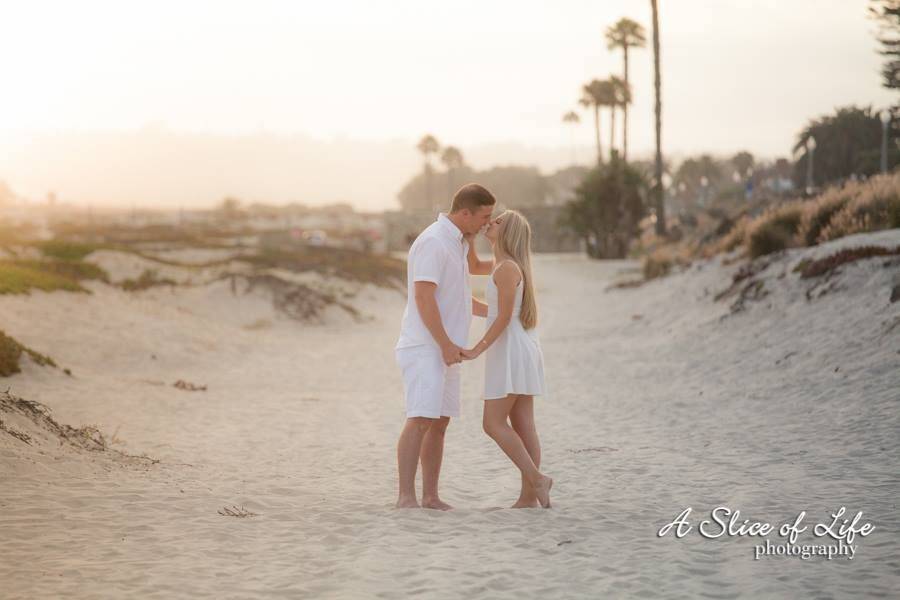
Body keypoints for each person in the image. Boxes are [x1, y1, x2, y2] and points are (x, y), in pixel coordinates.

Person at [394, 183, 496, 509]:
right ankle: (406, 497)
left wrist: (500, 312)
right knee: (420, 418)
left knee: (439, 423)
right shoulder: (433, 242)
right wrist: (445, 344)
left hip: (447, 348)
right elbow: (423, 297)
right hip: (426, 346)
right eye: (484, 216)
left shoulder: (457, 242)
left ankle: (430, 496)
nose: (486, 223)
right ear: (465, 212)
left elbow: (460, 298)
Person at [461, 209, 552, 508]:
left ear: (508, 230)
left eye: (497, 221)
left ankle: (536, 480)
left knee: (493, 423)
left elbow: (501, 319)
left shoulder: (506, 269)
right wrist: (471, 234)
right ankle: (529, 498)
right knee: (523, 423)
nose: (491, 222)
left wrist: (477, 348)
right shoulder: (503, 266)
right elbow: (475, 273)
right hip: (521, 346)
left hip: (511, 348)